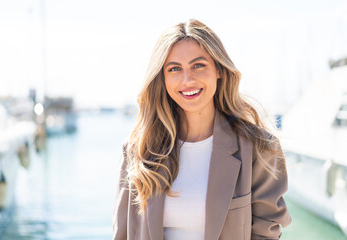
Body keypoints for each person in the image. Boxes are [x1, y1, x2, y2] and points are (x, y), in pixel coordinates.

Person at [113, 19, 291, 240]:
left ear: (218, 69)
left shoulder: (258, 147)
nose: (188, 79)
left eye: (198, 65)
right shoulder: (137, 150)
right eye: (175, 69)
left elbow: (266, 233)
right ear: (163, 78)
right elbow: (122, 233)